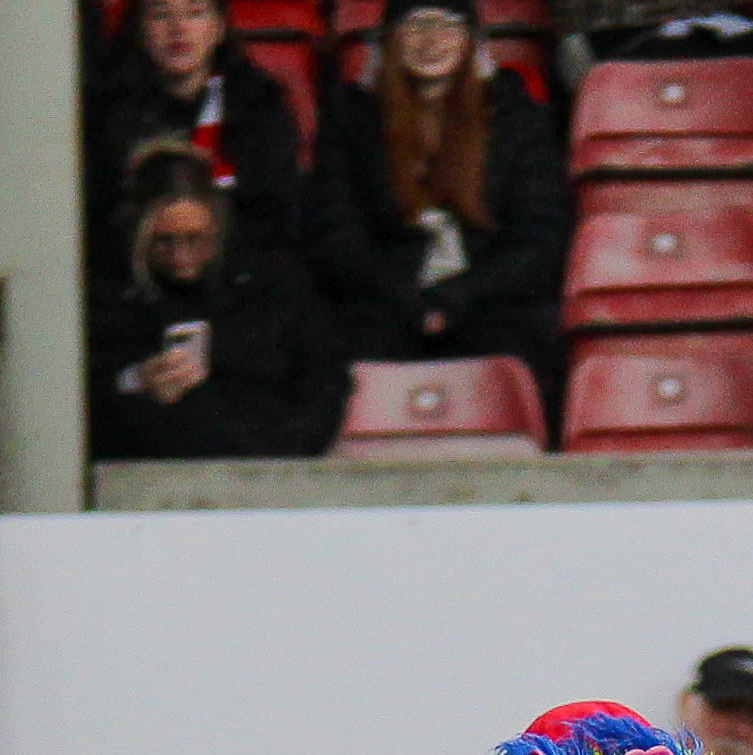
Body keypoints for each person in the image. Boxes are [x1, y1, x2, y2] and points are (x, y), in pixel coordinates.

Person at [309, 0, 571, 421]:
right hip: (384, 300)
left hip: (490, 300)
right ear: (390, 40)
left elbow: (539, 238)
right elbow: (335, 232)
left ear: (471, 42)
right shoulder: (350, 120)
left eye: (448, 28)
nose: (432, 42)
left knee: (524, 348)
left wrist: (460, 295)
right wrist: (403, 295)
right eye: (417, 27)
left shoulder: (518, 118)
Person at [92, 149, 351, 463]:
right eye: (164, 241)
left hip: (269, 457)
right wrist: (135, 380)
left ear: (216, 226)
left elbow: (323, 375)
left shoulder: (274, 286)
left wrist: (286, 451)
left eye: (194, 240)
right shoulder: (112, 299)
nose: (180, 256)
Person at [85, 0, 313, 263]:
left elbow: (276, 210)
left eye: (195, 13)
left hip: (244, 271)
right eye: (161, 15)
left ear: (218, 27)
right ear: (139, 29)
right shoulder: (108, 112)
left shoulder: (260, 105)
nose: (178, 28)